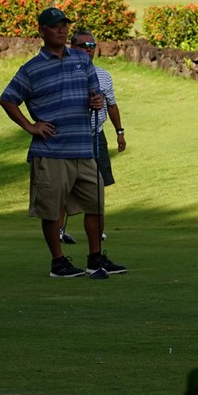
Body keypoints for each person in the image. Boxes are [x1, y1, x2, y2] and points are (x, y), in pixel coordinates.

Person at [0, 7, 127, 278]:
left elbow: (95, 94)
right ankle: (58, 262)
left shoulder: (82, 60)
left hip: (84, 147)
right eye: (55, 26)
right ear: (42, 31)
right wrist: (30, 126)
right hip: (51, 150)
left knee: (97, 204)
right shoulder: (31, 69)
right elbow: (8, 99)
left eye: (64, 25)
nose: (61, 30)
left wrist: (97, 101)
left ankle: (95, 259)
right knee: (51, 209)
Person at [59, 28, 125, 245]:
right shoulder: (63, 72)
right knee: (64, 186)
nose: (88, 50)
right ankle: (59, 229)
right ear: (72, 47)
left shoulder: (104, 76)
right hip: (69, 137)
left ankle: (98, 232)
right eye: (82, 46)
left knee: (99, 186)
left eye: (91, 46)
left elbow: (112, 105)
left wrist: (120, 132)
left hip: (96, 135)